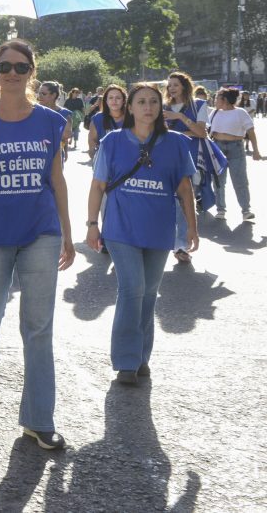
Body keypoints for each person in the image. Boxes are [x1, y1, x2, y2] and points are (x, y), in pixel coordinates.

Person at [0, 40, 75, 451]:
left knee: (39, 326)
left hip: (41, 230)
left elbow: (56, 179)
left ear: (31, 72)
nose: (12, 73)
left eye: (20, 67)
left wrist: (68, 233)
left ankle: (39, 419)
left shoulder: (51, 121)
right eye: (4, 66)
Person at [87, 83, 198, 386]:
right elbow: (98, 186)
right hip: (120, 229)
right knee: (132, 288)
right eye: (141, 102)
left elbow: (185, 188)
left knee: (149, 293)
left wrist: (192, 226)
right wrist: (92, 224)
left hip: (159, 230)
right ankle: (126, 361)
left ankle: (141, 357)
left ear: (161, 107)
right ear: (130, 108)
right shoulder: (112, 141)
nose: (148, 107)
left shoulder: (176, 142)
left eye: (153, 102)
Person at [163, 71, 209, 262]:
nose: (172, 88)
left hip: (191, 158)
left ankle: (181, 245)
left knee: (184, 200)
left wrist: (180, 117)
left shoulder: (199, 105)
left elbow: (202, 133)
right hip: (165, 158)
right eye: (169, 85)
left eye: (175, 84)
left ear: (184, 86)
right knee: (167, 201)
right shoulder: (162, 106)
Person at [210, 87, 262, 221]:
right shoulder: (215, 112)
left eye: (217, 98)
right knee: (219, 181)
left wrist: (256, 151)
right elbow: (207, 130)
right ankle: (220, 209)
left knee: (240, 181)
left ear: (225, 100)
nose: (214, 100)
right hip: (217, 148)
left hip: (236, 148)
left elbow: (251, 132)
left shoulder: (240, 112)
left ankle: (246, 210)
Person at [87, 85, 128, 160]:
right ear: (106, 100)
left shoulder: (133, 118)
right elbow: (92, 141)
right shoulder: (98, 119)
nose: (114, 101)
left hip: (128, 161)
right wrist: (98, 159)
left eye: (118, 98)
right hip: (105, 162)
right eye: (111, 98)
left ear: (124, 100)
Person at [38, 81, 73, 161]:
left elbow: (66, 136)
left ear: (53, 95)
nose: (39, 96)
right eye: (39, 93)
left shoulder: (64, 114)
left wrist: (66, 151)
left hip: (55, 156)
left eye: (43, 94)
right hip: (37, 155)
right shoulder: (34, 111)